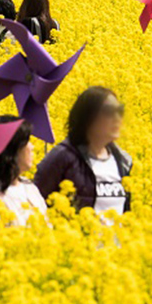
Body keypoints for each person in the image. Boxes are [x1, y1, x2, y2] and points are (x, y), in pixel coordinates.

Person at [34, 87, 132, 217]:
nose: (117, 118)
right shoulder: (63, 157)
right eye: (109, 112)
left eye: (120, 110)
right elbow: (35, 201)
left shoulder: (123, 161)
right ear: (88, 117)